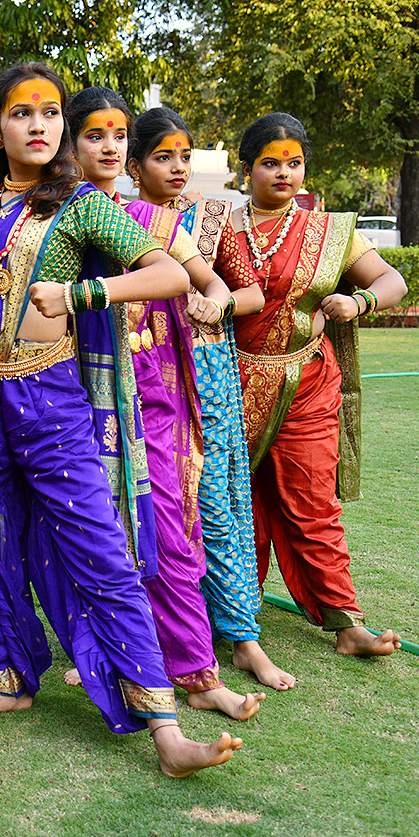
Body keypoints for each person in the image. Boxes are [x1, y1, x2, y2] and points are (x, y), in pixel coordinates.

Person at [0, 61, 241, 776]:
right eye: (22, 113)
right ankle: (5, 674)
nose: (39, 124)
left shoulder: (84, 205)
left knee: (102, 556)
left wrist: (85, 293)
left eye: (51, 112)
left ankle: (164, 729)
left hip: (51, 403)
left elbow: (171, 276)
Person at [63, 88, 264, 719]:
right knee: (95, 527)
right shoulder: (58, 211)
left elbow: (207, 280)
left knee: (169, 529)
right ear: (70, 144)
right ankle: (105, 654)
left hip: (151, 388)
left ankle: (198, 675)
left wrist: (211, 299)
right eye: (94, 135)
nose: (109, 147)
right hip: (76, 389)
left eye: (118, 136)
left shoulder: (151, 223)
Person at [215, 112, 406, 657]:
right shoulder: (216, 228)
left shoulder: (330, 231)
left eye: (294, 163)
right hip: (229, 381)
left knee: (313, 500)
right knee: (231, 504)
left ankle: (345, 622)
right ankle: (233, 620)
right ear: (245, 168)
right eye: (270, 163)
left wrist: (358, 300)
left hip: (307, 382)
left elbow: (393, 281)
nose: (284, 174)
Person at [125, 106, 294, 691]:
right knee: (143, 502)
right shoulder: (109, 216)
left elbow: (247, 291)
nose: (177, 168)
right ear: (134, 163)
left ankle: (242, 637)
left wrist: (217, 301)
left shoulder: (211, 218)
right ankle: (134, 635)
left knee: (217, 499)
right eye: (162, 156)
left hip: (206, 366)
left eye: (185, 156)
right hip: (140, 369)